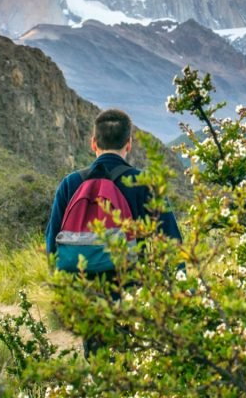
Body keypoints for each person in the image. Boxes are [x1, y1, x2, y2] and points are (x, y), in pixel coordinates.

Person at [45, 108, 183, 358]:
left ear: (93, 143)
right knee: (136, 361)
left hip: (86, 290)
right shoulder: (144, 183)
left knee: (99, 363)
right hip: (132, 288)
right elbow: (172, 242)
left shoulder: (70, 183)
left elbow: (51, 243)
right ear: (128, 144)